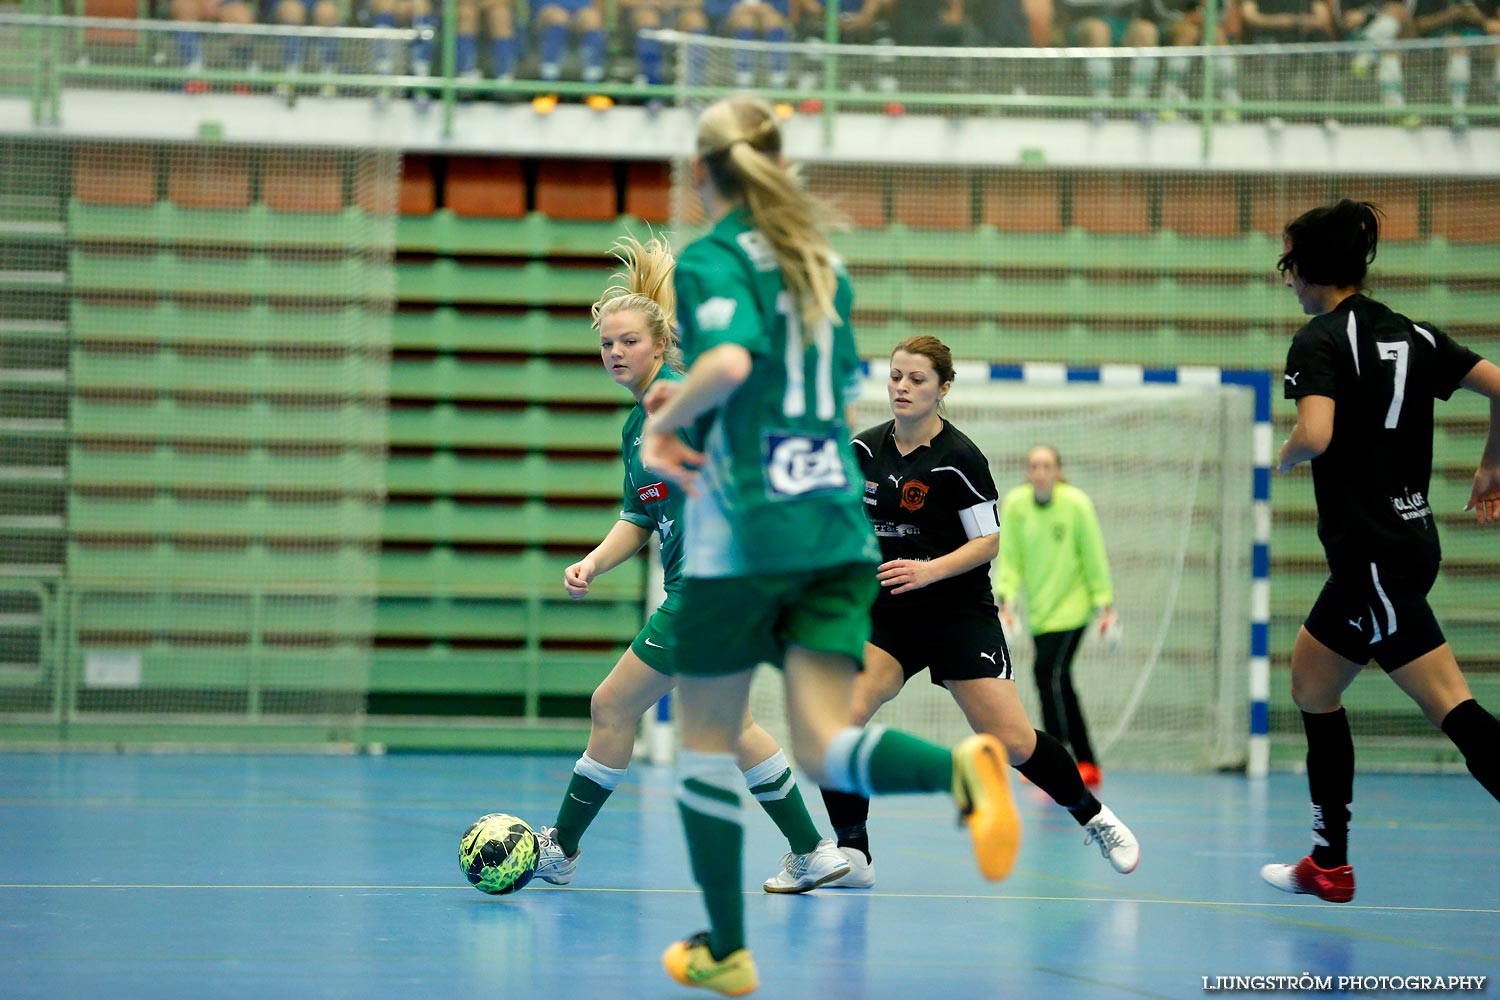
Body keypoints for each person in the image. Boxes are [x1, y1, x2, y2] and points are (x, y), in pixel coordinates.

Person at [639, 96, 1020, 996]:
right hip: (837, 525)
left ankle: (726, 948)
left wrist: (671, 421)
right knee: (819, 740)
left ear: (704, 173)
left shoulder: (713, 258)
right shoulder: (825, 267)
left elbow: (730, 365)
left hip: (754, 527)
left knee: (705, 733)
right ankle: (962, 770)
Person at [531, 236, 852, 896]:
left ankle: (561, 849)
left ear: (659, 345)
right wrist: (592, 563)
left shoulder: (679, 399)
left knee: (613, 705)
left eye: (627, 342)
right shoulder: (636, 426)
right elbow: (641, 517)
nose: (615, 353)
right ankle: (812, 850)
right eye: (606, 345)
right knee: (729, 725)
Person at [817, 337, 1139, 890]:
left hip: (956, 613)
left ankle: (1095, 817)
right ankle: (855, 852)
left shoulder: (960, 459)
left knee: (1013, 742)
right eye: (896, 376)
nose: (902, 387)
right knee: (834, 721)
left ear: (942, 389)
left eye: (917, 379)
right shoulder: (863, 451)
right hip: (889, 616)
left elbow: (988, 541)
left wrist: (927, 569)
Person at [1262, 199, 1500, 903]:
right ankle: (1328, 863)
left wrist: (1285, 454)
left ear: (1307, 268)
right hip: (1404, 543)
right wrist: (1492, 463)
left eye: (1288, 266)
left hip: (1371, 557)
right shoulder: (1413, 333)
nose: (1288, 281)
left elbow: (1317, 432)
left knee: (1451, 704)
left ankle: (1332, 865)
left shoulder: (1318, 340)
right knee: (1311, 679)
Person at [995, 444, 1118, 789]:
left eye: (1047, 465)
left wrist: (1103, 605)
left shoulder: (1076, 504)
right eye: (1034, 465)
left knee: (1049, 673)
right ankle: (1075, 761)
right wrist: (1006, 601)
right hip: (1041, 613)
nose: (1040, 472)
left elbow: (1093, 554)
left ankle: (1067, 760)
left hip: (1074, 609)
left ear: (1058, 471)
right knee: (1055, 680)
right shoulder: (1017, 504)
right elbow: (1012, 557)